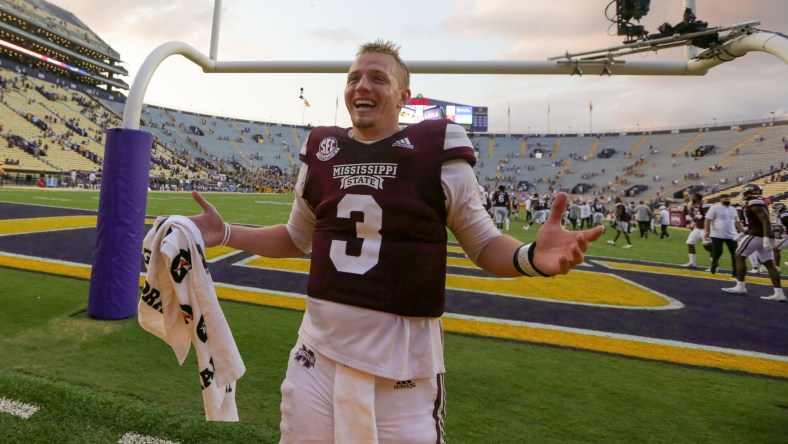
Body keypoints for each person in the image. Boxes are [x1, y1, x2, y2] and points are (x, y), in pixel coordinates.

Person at [188, 40, 604, 442]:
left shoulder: (436, 152)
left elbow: (482, 245)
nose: (361, 86)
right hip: (316, 357)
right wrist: (225, 233)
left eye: (377, 78)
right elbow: (297, 237)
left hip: (402, 367)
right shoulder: (322, 150)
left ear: (403, 94)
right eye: (353, 78)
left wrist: (529, 256)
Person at [722, 184, 785, 301]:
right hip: (760, 234)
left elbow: (765, 220)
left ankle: (740, 286)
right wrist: (744, 233)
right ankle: (779, 293)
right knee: (770, 265)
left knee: (739, 256)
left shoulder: (754, 202)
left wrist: (765, 237)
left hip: (757, 236)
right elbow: (756, 222)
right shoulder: (757, 202)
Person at [704, 194, 743, 276]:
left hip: (732, 235)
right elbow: (707, 220)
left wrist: (743, 230)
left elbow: (737, 221)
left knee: (735, 254)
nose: (727, 200)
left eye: (728, 199)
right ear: (720, 199)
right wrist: (706, 231)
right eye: (725, 199)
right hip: (717, 234)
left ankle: (735, 272)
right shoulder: (714, 208)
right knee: (718, 252)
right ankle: (714, 263)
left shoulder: (733, 209)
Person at [681, 193, 711, 268]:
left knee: (708, 246)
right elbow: (688, 214)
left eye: (693, 197)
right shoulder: (694, 205)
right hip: (697, 228)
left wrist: (708, 230)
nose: (692, 198)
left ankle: (714, 265)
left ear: (697, 197)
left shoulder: (704, 205)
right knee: (690, 242)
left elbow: (709, 217)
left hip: (704, 228)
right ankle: (692, 263)